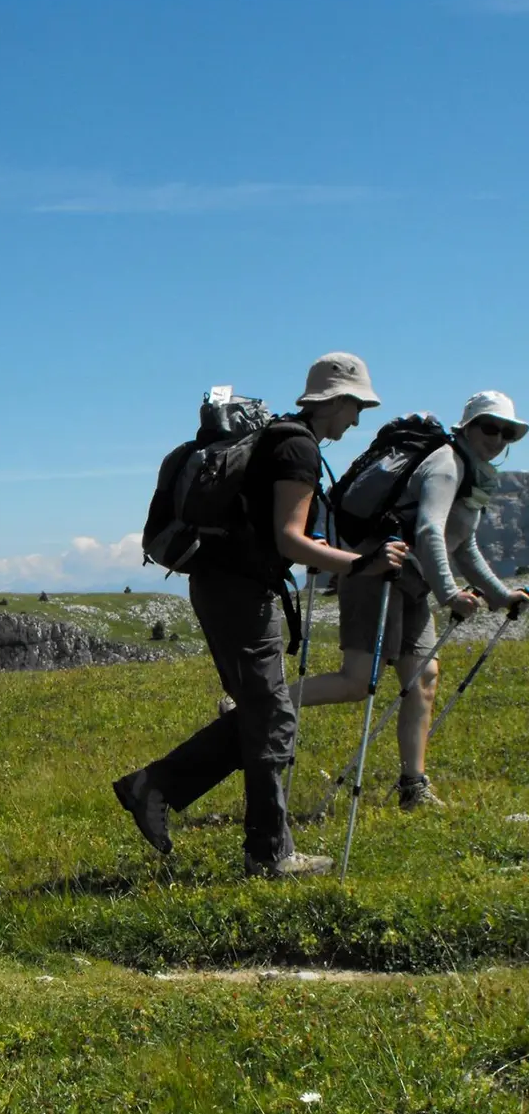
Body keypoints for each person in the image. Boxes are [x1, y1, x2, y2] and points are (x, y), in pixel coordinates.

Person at [113, 354, 406, 878]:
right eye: (356, 406)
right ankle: (268, 854)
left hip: (224, 586)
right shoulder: (298, 447)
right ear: (335, 400)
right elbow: (289, 540)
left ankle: (156, 787)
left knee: (263, 712)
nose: (357, 420)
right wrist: (362, 564)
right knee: (271, 716)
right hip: (240, 593)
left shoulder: (279, 438)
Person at [298, 390, 529, 809]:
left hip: (414, 583)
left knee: (423, 679)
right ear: (468, 427)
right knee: (355, 680)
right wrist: (451, 595)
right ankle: (255, 704)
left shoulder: (472, 474)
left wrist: (500, 594)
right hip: (378, 573)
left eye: (508, 433)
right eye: (490, 427)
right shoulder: (446, 464)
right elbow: (428, 532)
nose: (498, 439)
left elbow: (463, 545)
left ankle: (413, 785)